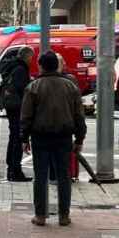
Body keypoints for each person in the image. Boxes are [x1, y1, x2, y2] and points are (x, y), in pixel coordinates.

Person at [20, 51, 87, 227]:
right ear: (57, 65)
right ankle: (64, 215)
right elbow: (79, 116)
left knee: (40, 176)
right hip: (64, 137)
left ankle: (40, 215)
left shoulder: (33, 87)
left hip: (40, 137)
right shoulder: (70, 86)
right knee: (64, 176)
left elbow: (26, 116)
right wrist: (79, 139)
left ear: (40, 65)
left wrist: (24, 138)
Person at [0, 46, 32, 182]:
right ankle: (15, 171)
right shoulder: (20, 69)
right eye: (31, 58)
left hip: (10, 105)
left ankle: (11, 169)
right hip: (17, 107)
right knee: (17, 138)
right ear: (28, 57)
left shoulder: (12, 67)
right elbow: (22, 90)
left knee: (13, 137)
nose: (31, 61)